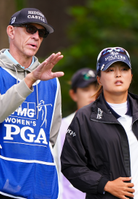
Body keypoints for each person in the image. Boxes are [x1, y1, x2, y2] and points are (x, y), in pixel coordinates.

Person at [61, 47, 138, 199]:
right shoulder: (85, 117)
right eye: (110, 70)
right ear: (99, 79)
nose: (118, 74)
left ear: (131, 75)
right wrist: (105, 185)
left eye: (124, 69)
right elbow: (70, 165)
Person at [0, 8, 64, 199]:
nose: (36, 36)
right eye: (30, 29)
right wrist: (30, 80)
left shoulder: (51, 80)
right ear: (11, 31)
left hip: (36, 186)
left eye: (42, 32)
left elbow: (50, 136)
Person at [53, 68, 97, 199]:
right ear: (73, 94)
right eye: (85, 89)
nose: (92, 94)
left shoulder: (115, 127)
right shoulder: (60, 128)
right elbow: (54, 171)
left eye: (96, 88)